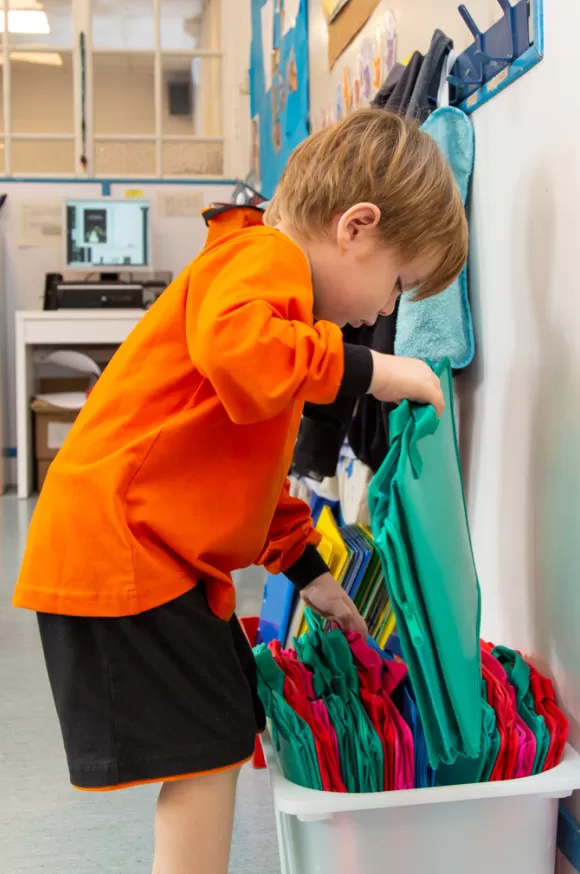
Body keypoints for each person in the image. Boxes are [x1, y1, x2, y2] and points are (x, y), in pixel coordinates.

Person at [13, 108, 468, 874]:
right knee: (212, 747)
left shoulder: (274, 306)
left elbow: (241, 476)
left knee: (223, 731)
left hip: (143, 548)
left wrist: (308, 572)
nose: (386, 312)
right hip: (123, 549)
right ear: (355, 227)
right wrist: (378, 372)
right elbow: (247, 358)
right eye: (397, 283)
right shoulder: (264, 258)